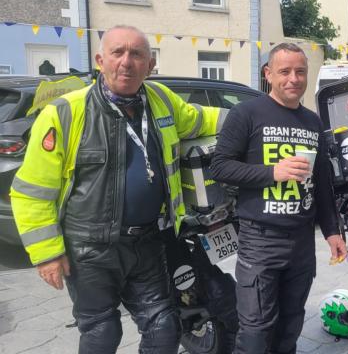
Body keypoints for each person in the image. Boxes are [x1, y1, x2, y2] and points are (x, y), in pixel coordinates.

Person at [10, 25, 225, 353]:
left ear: (150, 65)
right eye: (117, 52)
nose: (127, 62)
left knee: (164, 328)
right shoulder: (65, 112)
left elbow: (202, 119)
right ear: (100, 60)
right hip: (90, 249)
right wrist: (47, 253)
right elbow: (32, 190)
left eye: (137, 54)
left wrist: (255, 118)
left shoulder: (161, 101)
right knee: (102, 333)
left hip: (148, 242)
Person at [210, 43, 347, 354]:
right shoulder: (246, 113)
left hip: (301, 244)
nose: (293, 79)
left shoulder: (313, 122)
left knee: (290, 327)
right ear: (268, 74)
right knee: (256, 334)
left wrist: (333, 231)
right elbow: (220, 167)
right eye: (284, 71)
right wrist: (273, 172)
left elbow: (322, 183)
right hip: (260, 241)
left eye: (300, 71)